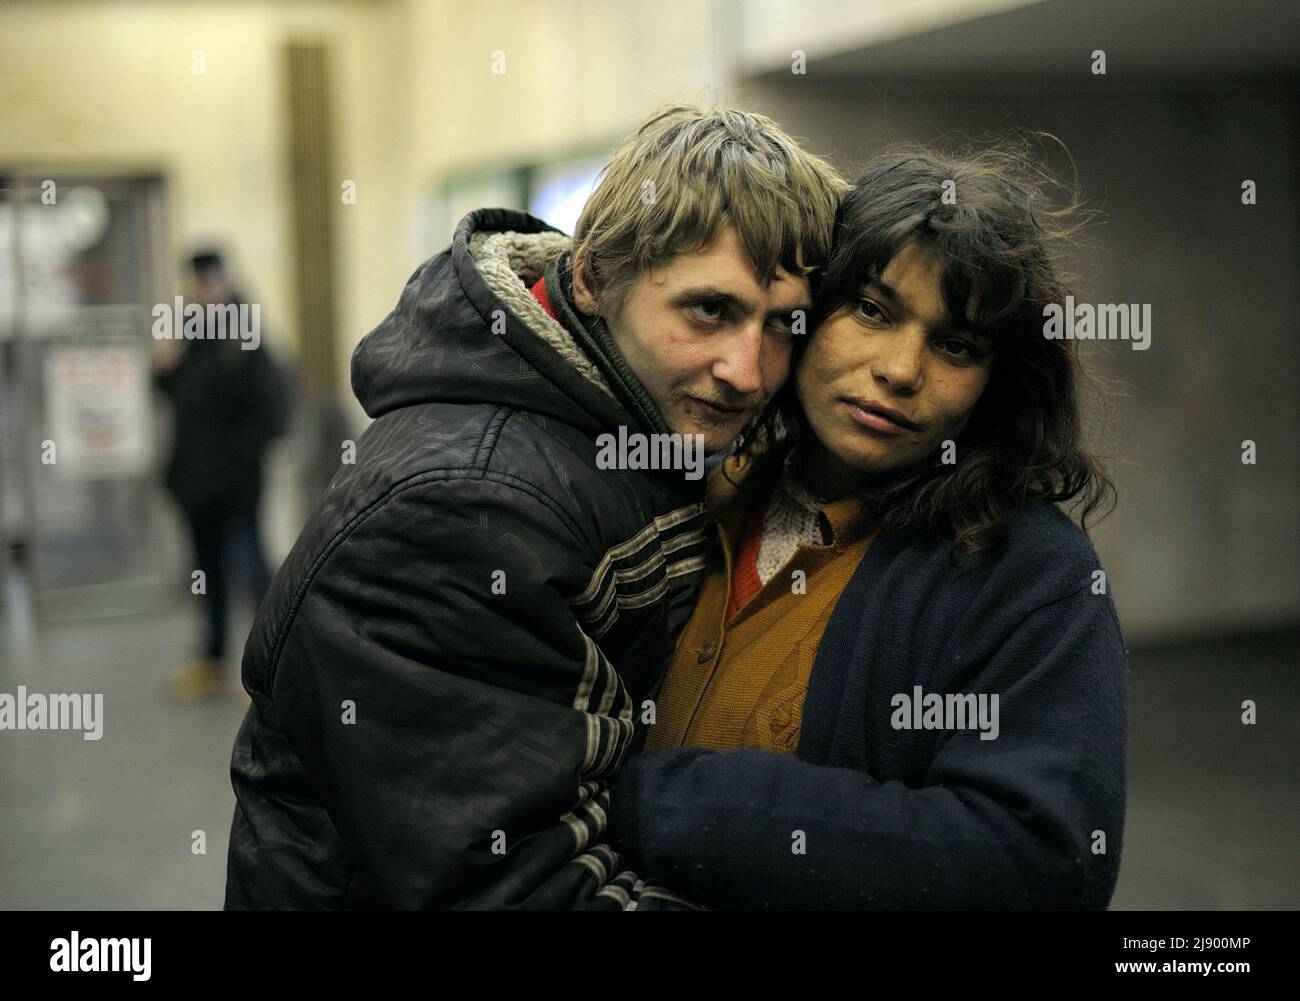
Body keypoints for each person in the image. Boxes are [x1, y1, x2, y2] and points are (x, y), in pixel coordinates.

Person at [224, 104, 847, 909]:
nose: (747, 371)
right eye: (708, 310)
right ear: (591, 279)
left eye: (783, 324)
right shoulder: (460, 508)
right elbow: (519, 890)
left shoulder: (641, 420)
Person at [605, 143, 1128, 910]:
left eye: (955, 343)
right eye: (873, 311)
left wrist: (684, 803)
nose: (901, 368)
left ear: (996, 382)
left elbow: (1039, 861)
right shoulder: (695, 480)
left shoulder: (1028, 571)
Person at [155, 251, 291, 703]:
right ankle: (212, 660)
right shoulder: (190, 333)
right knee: (206, 572)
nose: (204, 291)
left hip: (235, 480)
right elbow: (176, 395)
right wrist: (163, 369)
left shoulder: (246, 335)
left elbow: (271, 409)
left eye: (211, 281)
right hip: (196, 480)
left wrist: (241, 458)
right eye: (198, 283)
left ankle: (274, 663)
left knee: (251, 565)